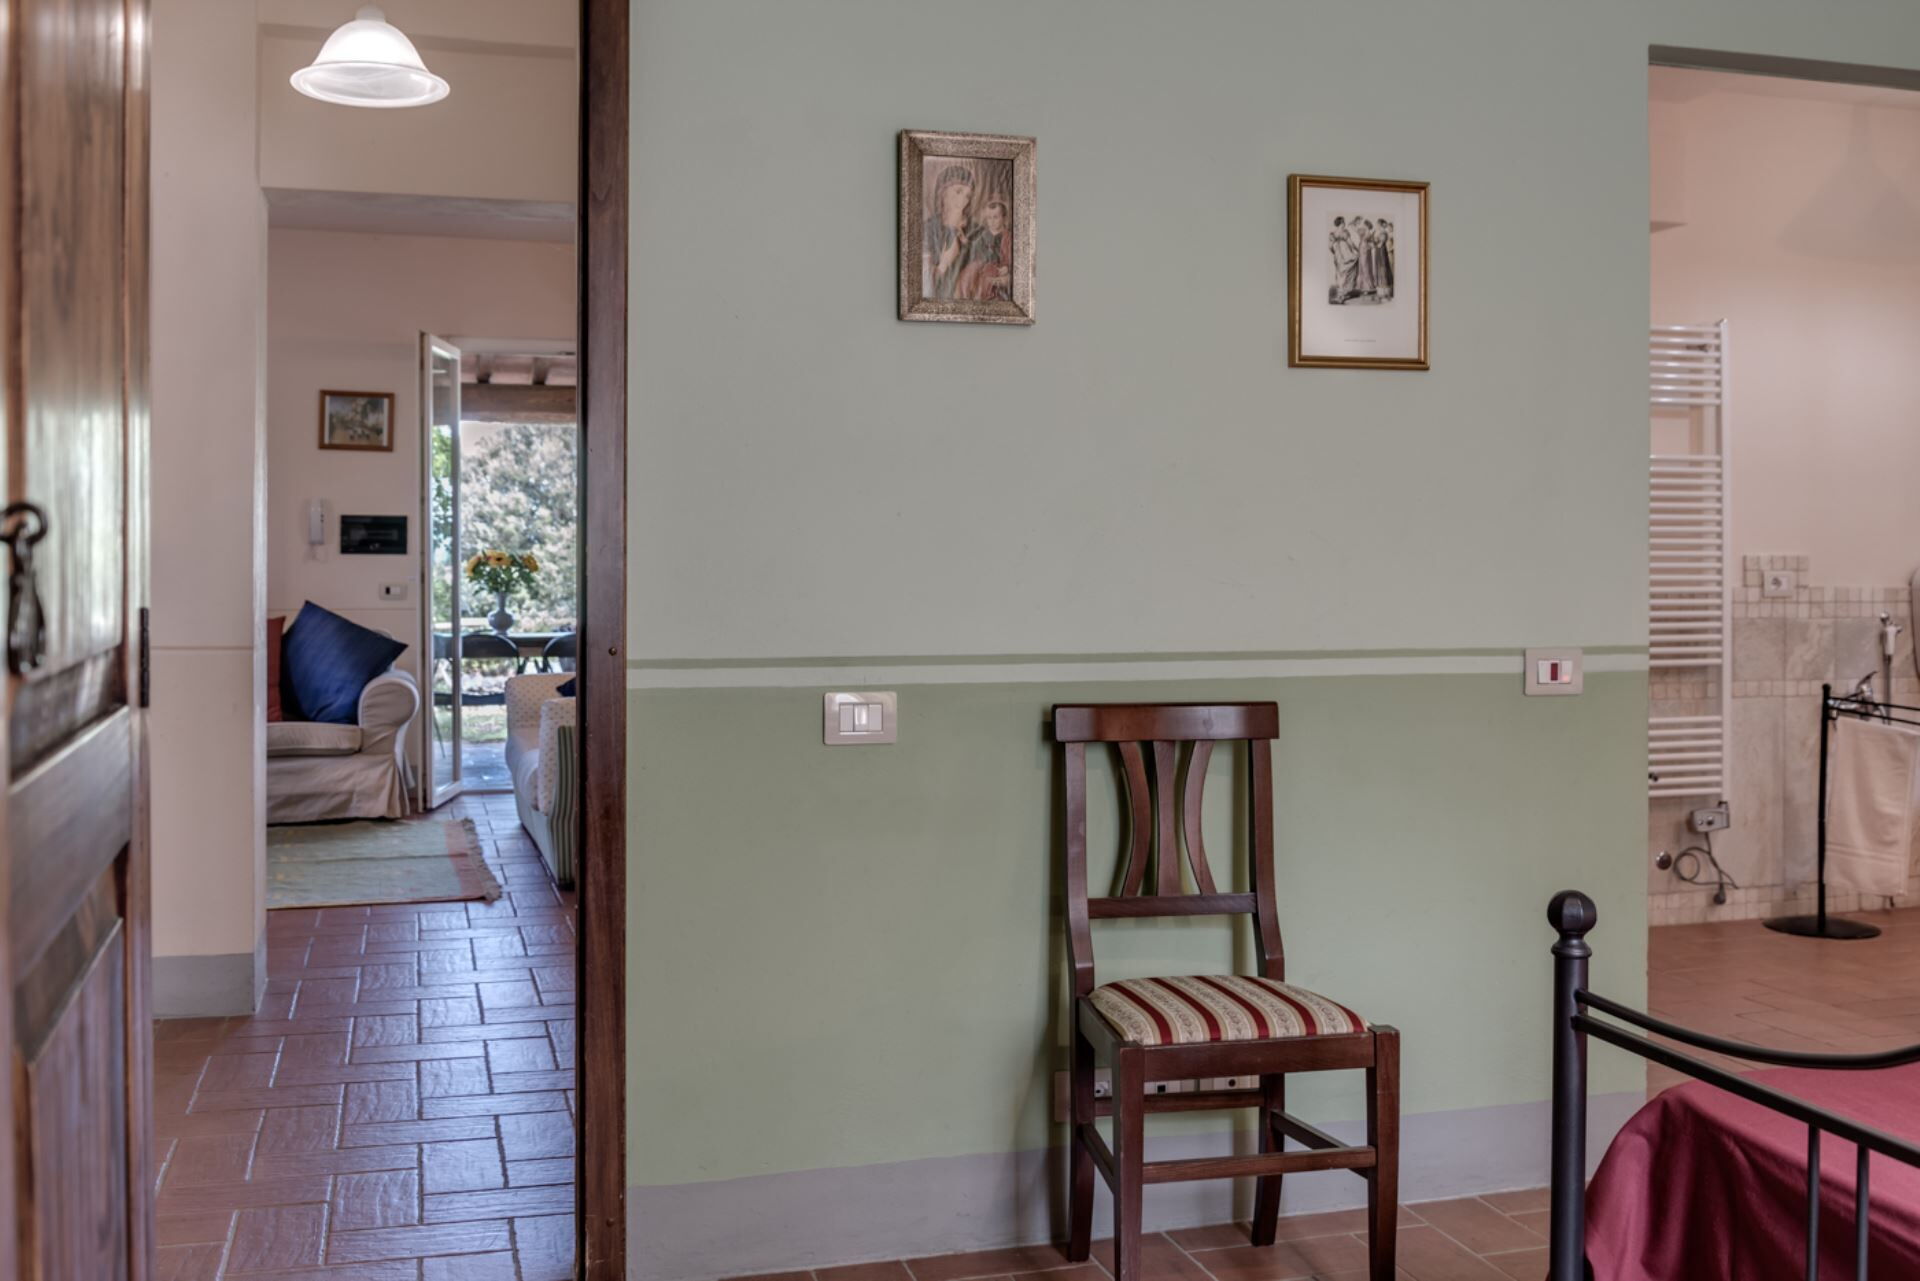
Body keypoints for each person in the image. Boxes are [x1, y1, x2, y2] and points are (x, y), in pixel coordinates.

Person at [922, 164, 980, 300]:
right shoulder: (927, 228)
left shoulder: (977, 230)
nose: (963, 201)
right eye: (958, 192)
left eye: (967, 196)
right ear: (942, 193)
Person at [958, 198, 1012, 300]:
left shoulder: (1008, 236)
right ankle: (964, 298)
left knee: (985, 279)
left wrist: (1007, 267)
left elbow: (1011, 255)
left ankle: (982, 300)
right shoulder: (985, 234)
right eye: (989, 218)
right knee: (967, 272)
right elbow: (976, 247)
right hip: (982, 263)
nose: (992, 221)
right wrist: (966, 242)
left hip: (997, 266)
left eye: (995, 217)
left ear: (1004, 218)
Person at [1328, 216, 1359, 303]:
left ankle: (1343, 293)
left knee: (1343, 273)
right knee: (1343, 272)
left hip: (1342, 254)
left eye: (1344, 222)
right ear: (1340, 223)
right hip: (1343, 254)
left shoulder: (1337, 233)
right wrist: (1357, 250)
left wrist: (1335, 253)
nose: (1344, 224)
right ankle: (1342, 294)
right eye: (1343, 222)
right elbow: (1351, 244)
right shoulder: (1340, 233)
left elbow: (1330, 247)